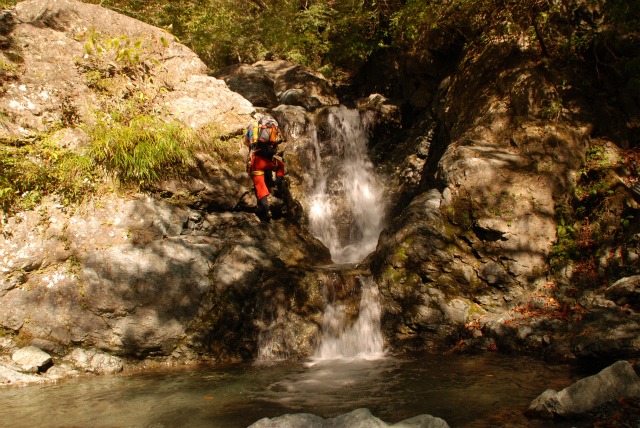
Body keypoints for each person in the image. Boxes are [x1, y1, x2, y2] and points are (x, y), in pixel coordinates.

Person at [244, 115, 286, 221]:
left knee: (260, 186)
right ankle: (278, 186)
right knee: (280, 165)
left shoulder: (252, 127)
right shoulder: (272, 128)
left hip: (256, 162)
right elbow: (278, 141)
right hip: (268, 161)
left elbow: (245, 142)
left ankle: (266, 210)